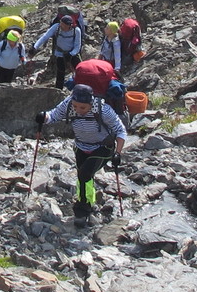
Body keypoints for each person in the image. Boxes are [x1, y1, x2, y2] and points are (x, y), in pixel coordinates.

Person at [37, 83, 128, 223]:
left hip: (103, 147)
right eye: (75, 106)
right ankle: (88, 201)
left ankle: (82, 210)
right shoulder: (68, 104)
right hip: (80, 146)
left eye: (83, 107)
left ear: (91, 103)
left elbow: (120, 130)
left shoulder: (103, 110)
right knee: (84, 177)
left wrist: (118, 153)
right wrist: (44, 117)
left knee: (84, 173)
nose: (78, 110)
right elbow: (53, 115)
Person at [33, 13, 83, 89]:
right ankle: (58, 89)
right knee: (60, 72)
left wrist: (71, 54)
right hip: (60, 54)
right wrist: (35, 47)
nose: (61, 26)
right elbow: (45, 36)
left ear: (69, 25)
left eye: (63, 25)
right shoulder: (56, 27)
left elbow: (77, 46)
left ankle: (81, 87)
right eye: (60, 23)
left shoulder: (76, 31)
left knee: (80, 71)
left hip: (72, 54)